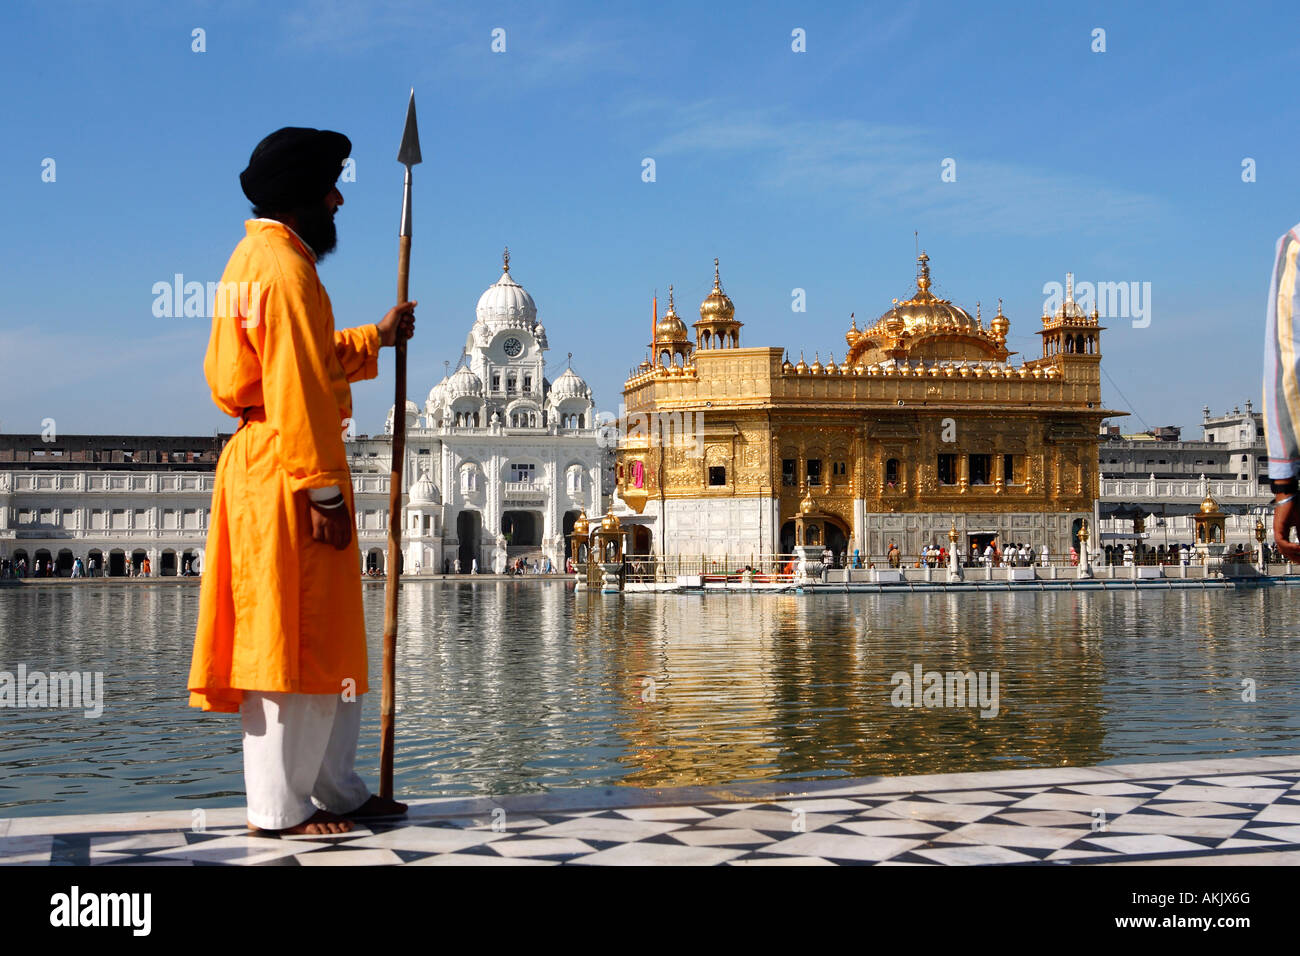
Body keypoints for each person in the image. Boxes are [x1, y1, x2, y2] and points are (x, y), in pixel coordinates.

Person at [187, 126, 414, 836]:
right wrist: (321, 490)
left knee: (326, 638)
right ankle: (278, 808)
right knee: (288, 639)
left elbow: (310, 359)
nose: (340, 199)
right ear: (301, 197)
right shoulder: (280, 270)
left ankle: (335, 787)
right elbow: (294, 386)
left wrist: (373, 337)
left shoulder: (277, 259)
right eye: (330, 188)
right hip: (288, 465)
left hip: (288, 456)